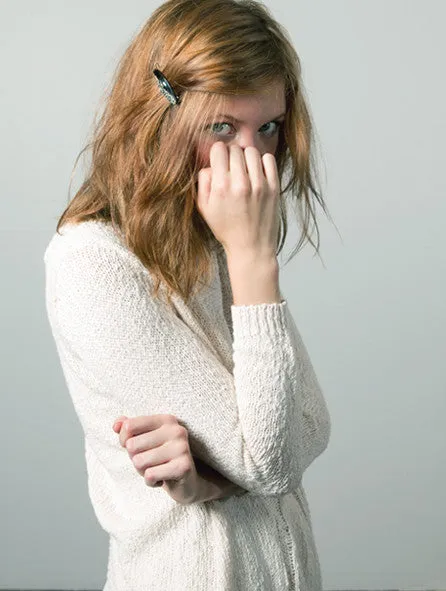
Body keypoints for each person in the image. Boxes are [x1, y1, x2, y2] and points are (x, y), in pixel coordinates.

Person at [44, 0, 332, 589]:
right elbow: (272, 462)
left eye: (268, 128)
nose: (252, 160)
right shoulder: (92, 262)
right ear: (161, 116)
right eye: (222, 127)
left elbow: (310, 427)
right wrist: (254, 258)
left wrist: (215, 479)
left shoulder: (215, 234)